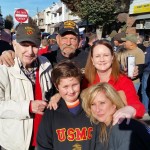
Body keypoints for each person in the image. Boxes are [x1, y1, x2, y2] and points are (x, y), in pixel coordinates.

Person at [37, 61, 136, 150]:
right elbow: (44, 145)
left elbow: (102, 139)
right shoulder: (52, 111)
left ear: (80, 81)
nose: (71, 91)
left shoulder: (91, 106)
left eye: (74, 85)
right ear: (56, 86)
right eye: (65, 87)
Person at [0, 21, 52, 150]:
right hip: (15, 143)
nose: (30, 51)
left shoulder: (46, 64)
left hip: (43, 139)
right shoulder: (3, 67)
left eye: (34, 46)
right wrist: (27, 107)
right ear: (15, 44)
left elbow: (52, 92)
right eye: (24, 45)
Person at [83, 39, 145, 118]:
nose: (102, 59)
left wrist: (130, 109)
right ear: (92, 60)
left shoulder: (123, 80)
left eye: (106, 55)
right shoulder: (87, 81)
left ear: (112, 57)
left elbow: (138, 107)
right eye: (97, 56)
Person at [81, 82, 150, 150]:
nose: (97, 109)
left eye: (102, 103)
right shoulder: (102, 127)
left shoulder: (123, 127)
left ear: (114, 104)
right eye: (93, 104)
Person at [0, 20, 88, 71]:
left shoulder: (89, 59)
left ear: (79, 40)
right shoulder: (47, 59)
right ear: (58, 39)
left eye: (73, 39)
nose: (68, 43)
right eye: (64, 38)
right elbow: (26, 59)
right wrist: (8, 53)